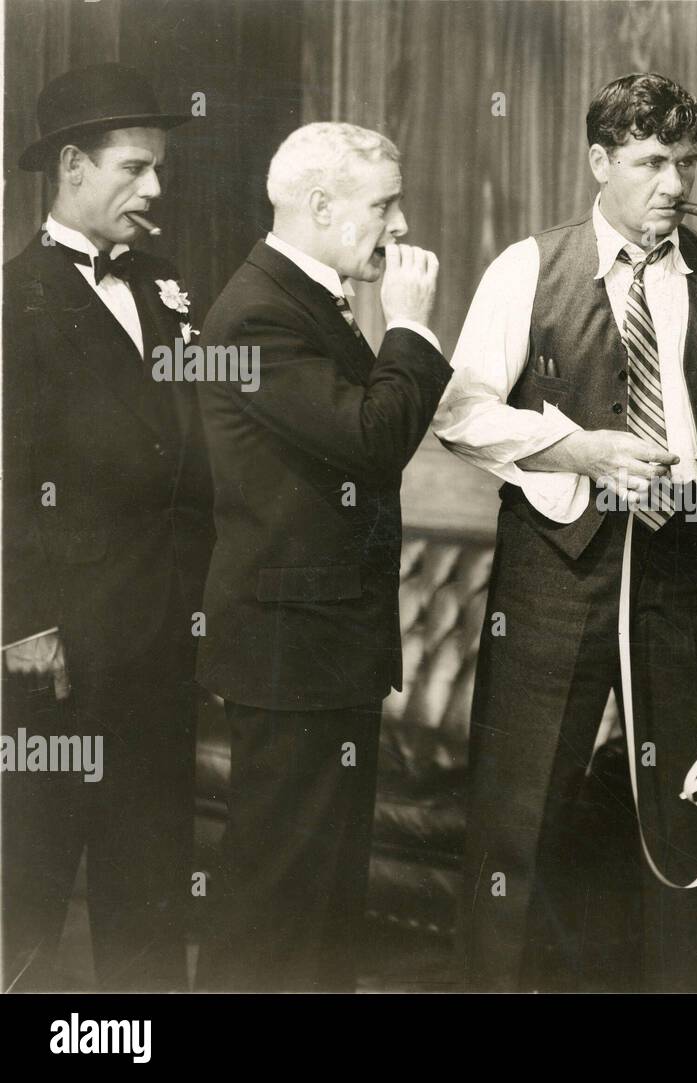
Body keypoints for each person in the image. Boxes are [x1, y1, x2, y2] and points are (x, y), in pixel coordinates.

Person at [434, 72, 697, 992]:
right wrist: (578, 449)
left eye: (684, 162)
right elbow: (460, 411)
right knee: (518, 818)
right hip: (557, 577)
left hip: (687, 571)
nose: (672, 184)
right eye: (648, 163)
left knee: (691, 814)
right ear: (600, 164)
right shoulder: (527, 267)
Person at [193, 122, 451, 991]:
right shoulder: (259, 310)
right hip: (289, 650)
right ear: (319, 205)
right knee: (274, 901)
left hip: (321, 647)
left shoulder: (309, 298)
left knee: (323, 901)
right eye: (383, 204)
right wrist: (409, 327)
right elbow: (372, 442)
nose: (400, 223)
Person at [2, 63, 212, 990]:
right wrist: (22, 621)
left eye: (159, 169)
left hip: (161, 636)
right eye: (134, 168)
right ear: (73, 166)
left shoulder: (165, 287)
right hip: (57, 654)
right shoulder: (13, 300)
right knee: (30, 875)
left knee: (151, 877)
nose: (155, 190)